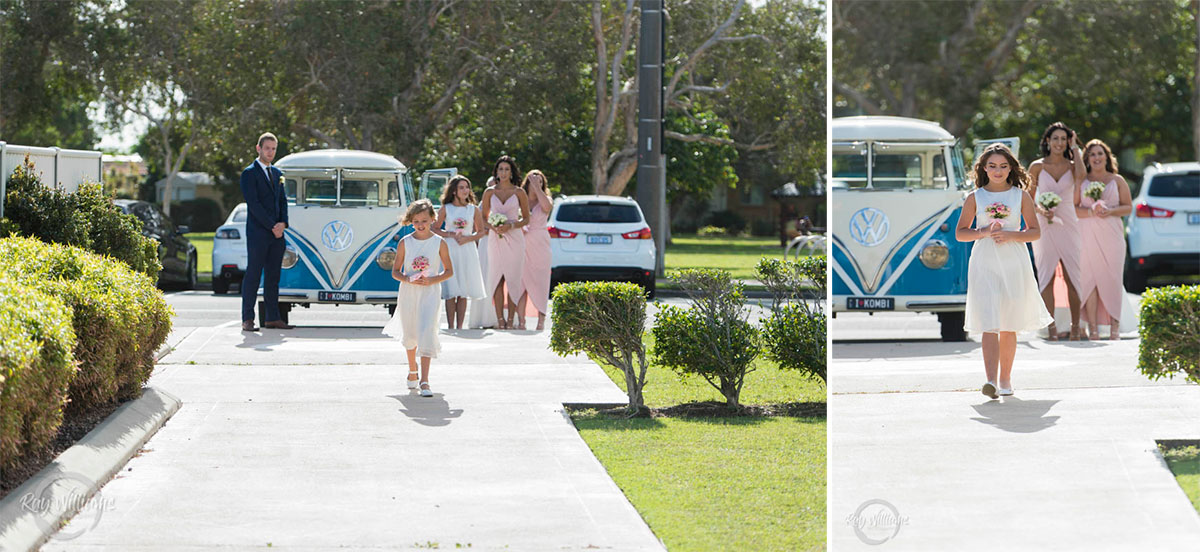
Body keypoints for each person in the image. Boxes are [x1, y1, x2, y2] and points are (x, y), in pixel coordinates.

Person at [955, 143, 1053, 399]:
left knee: (1009, 323)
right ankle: (990, 381)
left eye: (1003, 166)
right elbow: (960, 233)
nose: (997, 171)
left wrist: (1010, 234)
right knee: (989, 321)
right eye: (992, 166)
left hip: (1013, 261)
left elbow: (1035, 232)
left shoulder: (1021, 196)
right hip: (984, 260)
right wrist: (984, 231)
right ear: (983, 168)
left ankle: (1006, 379)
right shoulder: (974, 197)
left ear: (1011, 168)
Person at [382, 199, 454, 397]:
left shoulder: (440, 243)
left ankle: (425, 380)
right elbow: (395, 271)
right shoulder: (406, 243)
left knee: (426, 331)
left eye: (424, 220)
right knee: (411, 331)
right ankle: (412, 370)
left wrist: (433, 280)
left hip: (430, 292)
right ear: (410, 221)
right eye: (416, 221)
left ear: (432, 219)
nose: (420, 225)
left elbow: (449, 271)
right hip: (409, 292)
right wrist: (407, 278)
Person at [1027, 122, 1086, 340]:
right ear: (1047, 141)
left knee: (1073, 275)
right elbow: (1027, 198)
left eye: (1064, 139)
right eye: (1056, 139)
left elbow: (1082, 176)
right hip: (1045, 224)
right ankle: (1051, 328)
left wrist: (1076, 148)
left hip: (1069, 224)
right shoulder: (1037, 167)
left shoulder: (1073, 166)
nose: (1059, 143)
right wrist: (1043, 211)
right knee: (1047, 276)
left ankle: (1076, 327)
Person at [1076, 139, 1133, 341]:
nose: (1097, 157)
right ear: (1087, 158)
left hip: (1112, 235)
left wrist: (1111, 211)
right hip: (1087, 235)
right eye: (1093, 154)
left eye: (1100, 153)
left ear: (1107, 157)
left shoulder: (1117, 180)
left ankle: (1114, 328)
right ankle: (1093, 328)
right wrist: (1091, 210)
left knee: (1112, 279)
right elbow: (1074, 209)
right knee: (1089, 280)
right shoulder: (1081, 182)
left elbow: (1128, 207)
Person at [240, 132, 293, 331]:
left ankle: (272, 317)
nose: (270, 152)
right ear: (258, 148)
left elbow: (282, 202)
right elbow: (254, 204)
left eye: (273, 149)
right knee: (253, 275)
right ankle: (248, 319)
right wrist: (272, 225)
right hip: (258, 234)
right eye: (267, 148)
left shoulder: (278, 174)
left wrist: (283, 224)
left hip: (277, 235)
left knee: (273, 277)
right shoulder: (249, 173)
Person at [480, 155, 530, 330]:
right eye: (500, 169)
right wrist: (493, 227)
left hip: (515, 238)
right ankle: (500, 319)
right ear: (496, 172)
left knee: (513, 279)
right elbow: (483, 218)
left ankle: (511, 320)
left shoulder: (519, 192)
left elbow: (526, 219)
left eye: (506, 169)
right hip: (495, 239)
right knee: (497, 278)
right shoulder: (489, 192)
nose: (503, 172)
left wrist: (511, 225)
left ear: (512, 172)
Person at [433, 175, 486, 329]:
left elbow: (481, 232)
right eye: (461, 187)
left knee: (463, 290)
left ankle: (460, 326)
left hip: (467, 249)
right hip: (450, 248)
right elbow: (435, 228)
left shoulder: (473, 209)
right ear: (454, 191)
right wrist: (450, 234)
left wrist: (467, 239)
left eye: (467, 187)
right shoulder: (446, 208)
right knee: (451, 289)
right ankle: (450, 325)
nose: (465, 190)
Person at [519, 170, 553, 331]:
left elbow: (546, 207)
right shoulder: (520, 200)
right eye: (532, 181)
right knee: (521, 282)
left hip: (540, 244)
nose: (535, 183)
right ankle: (521, 321)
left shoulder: (545, 200)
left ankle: (541, 320)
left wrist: (537, 188)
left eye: (539, 181)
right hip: (522, 243)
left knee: (541, 282)